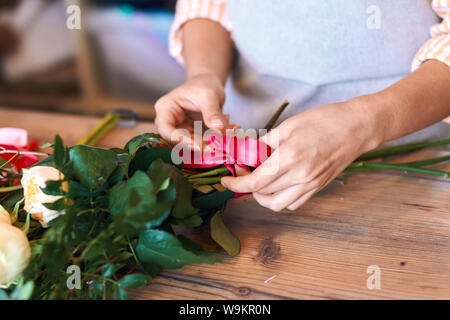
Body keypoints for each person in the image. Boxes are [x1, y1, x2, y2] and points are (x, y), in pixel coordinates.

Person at [155, 0, 450, 212]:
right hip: (256, 166)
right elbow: (207, 5)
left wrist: (365, 121)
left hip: (408, 166)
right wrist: (204, 74)